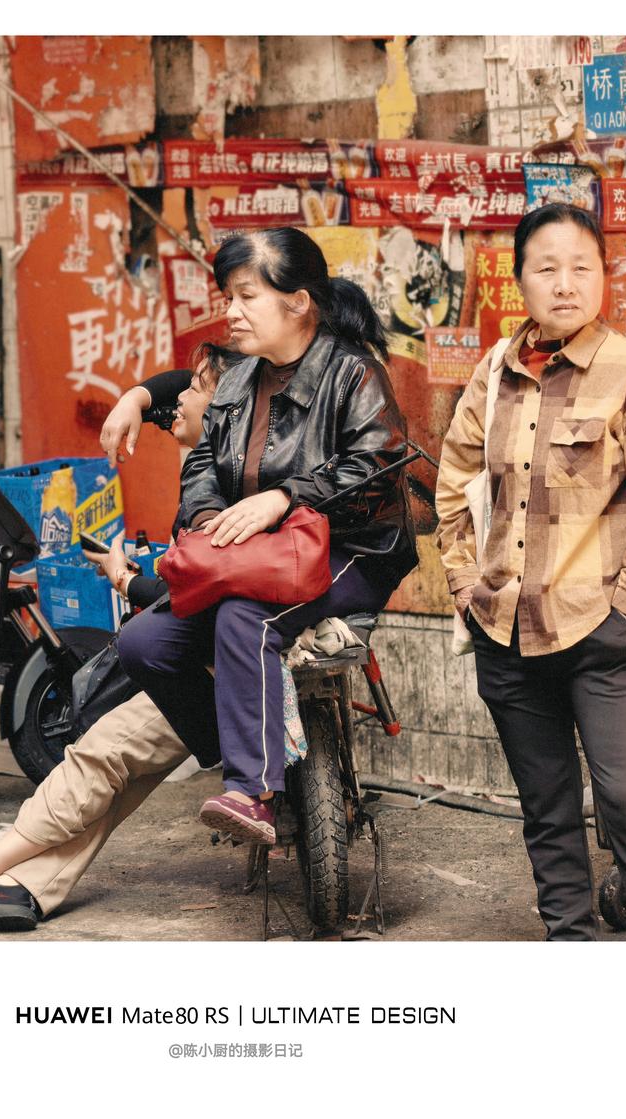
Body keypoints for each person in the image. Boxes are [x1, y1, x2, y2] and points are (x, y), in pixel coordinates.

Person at [0, 344, 239, 930]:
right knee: (113, 771)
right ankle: (25, 888)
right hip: (203, 654)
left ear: (228, 409)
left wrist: (126, 580)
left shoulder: (226, 485)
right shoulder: (219, 460)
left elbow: (200, 593)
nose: (178, 396)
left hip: (215, 667)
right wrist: (135, 398)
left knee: (102, 756)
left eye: (195, 389)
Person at [434, 202, 626, 940]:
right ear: (520, 279)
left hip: (598, 633)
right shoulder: (494, 373)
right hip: (505, 633)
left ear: (604, 277)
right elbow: (453, 481)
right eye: (546, 268)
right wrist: (464, 583)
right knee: (547, 811)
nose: (565, 283)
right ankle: (570, 948)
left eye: (582, 267)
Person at [115, 227, 418, 845]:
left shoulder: (353, 373)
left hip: (352, 548)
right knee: (143, 642)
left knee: (244, 618)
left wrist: (286, 497)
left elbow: (378, 465)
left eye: (246, 296)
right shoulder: (236, 379)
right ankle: (248, 755)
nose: (231, 311)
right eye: (228, 297)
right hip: (258, 555)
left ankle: (252, 791)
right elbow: (203, 463)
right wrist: (206, 517)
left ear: (298, 301)